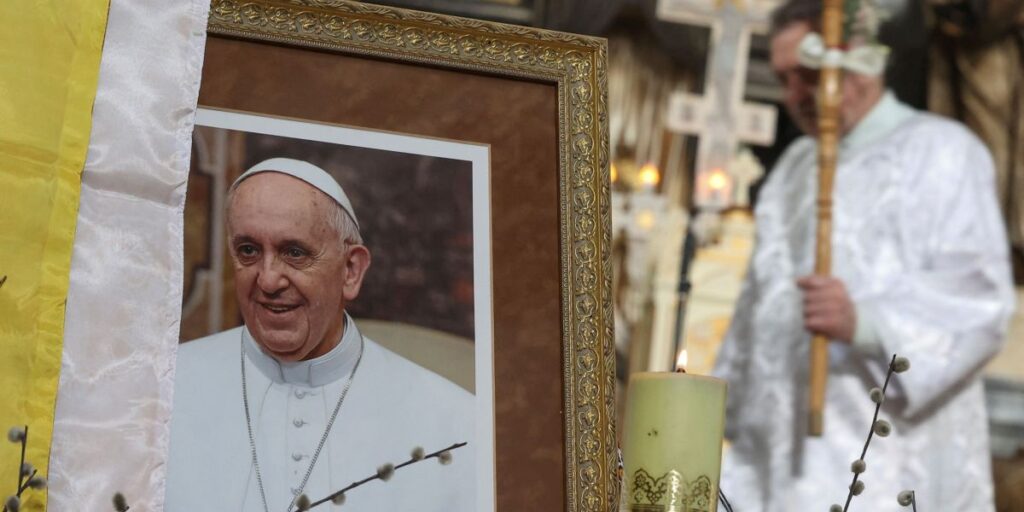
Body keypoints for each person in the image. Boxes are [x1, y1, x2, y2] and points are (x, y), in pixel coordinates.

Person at [712, 1, 1016, 510]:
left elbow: (981, 305)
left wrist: (866, 323)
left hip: (880, 451)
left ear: (856, 57)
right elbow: (757, 304)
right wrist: (722, 410)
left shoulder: (944, 152)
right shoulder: (793, 166)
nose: (794, 97)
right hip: (775, 454)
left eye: (807, 76)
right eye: (784, 79)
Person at [165, 158, 475, 511]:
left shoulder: (455, 424)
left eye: (294, 253)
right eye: (248, 251)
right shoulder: (161, 392)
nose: (267, 280)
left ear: (351, 270)